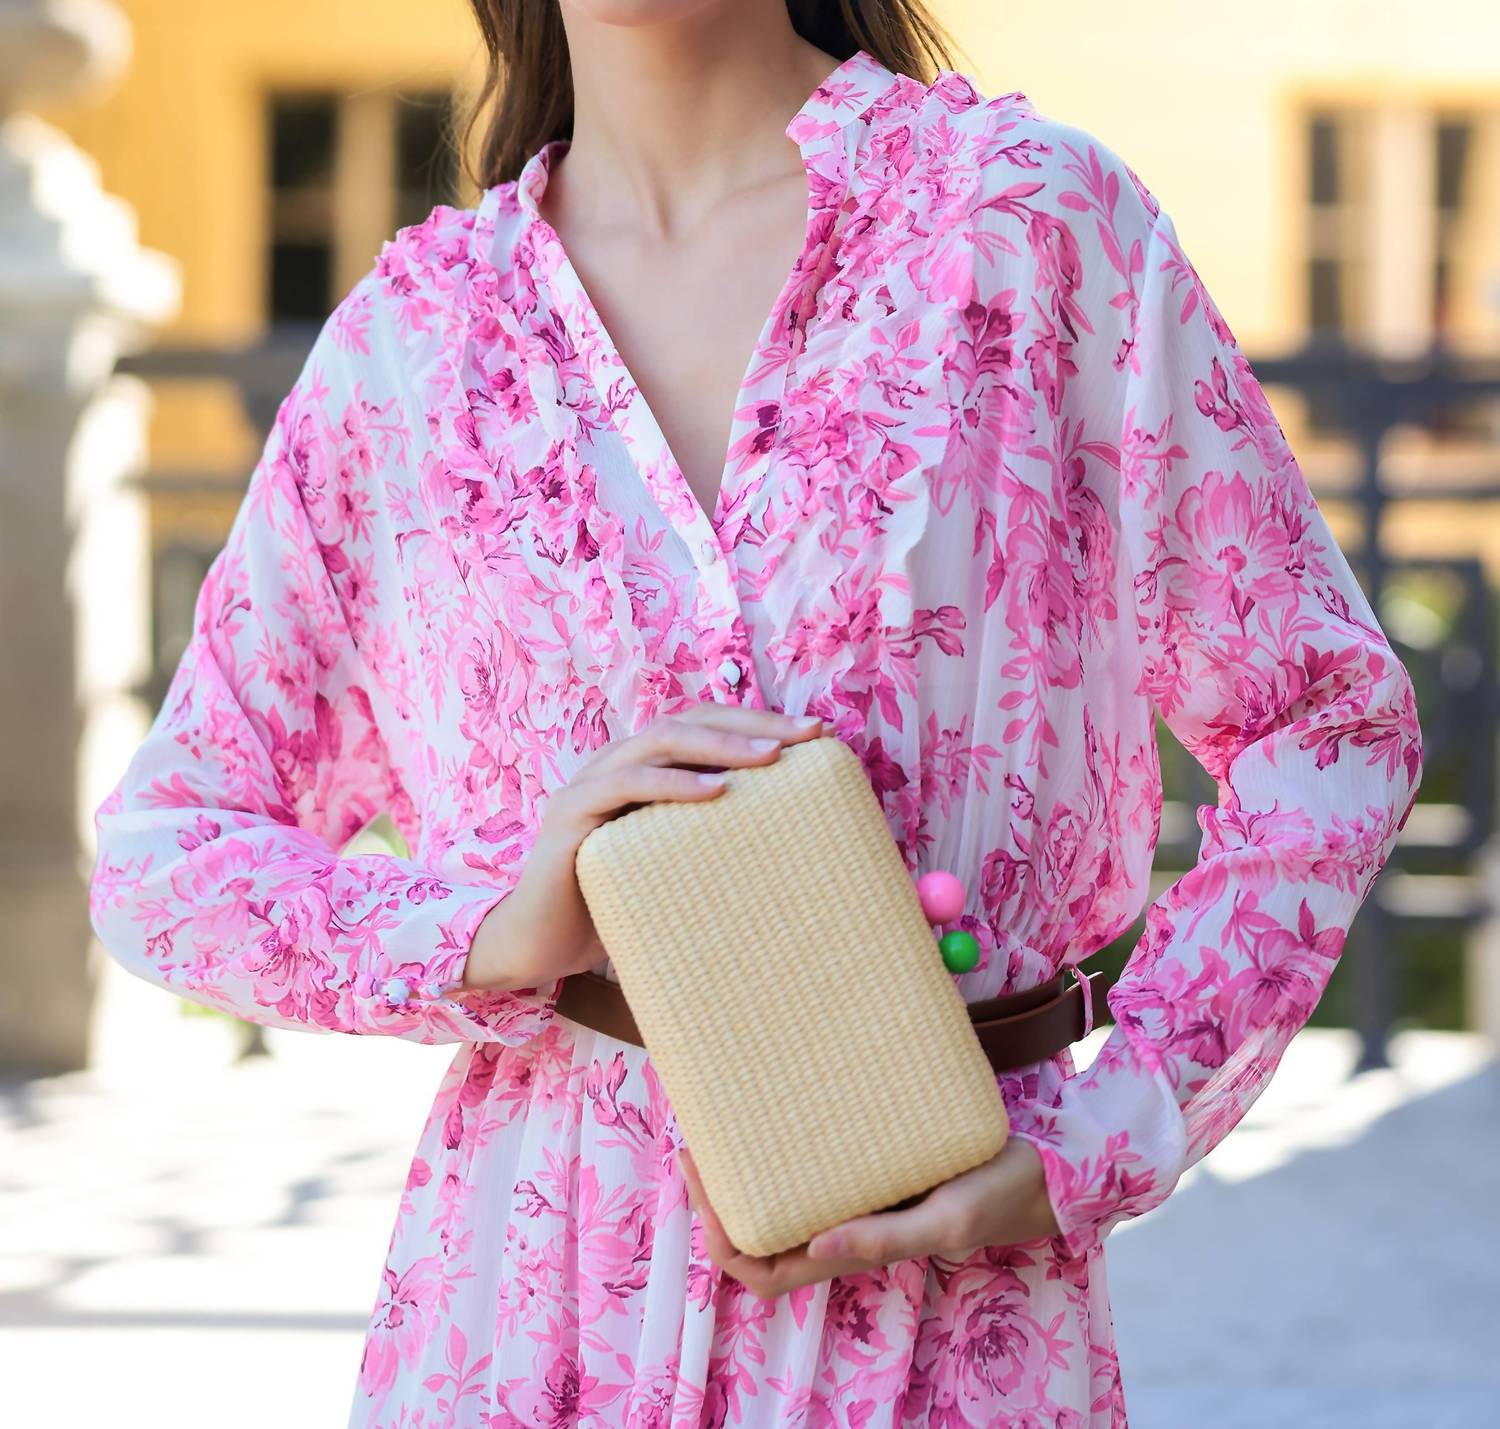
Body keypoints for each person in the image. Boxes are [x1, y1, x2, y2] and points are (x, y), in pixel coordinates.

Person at [88, 2, 1425, 1424]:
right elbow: (164, 849)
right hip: (526, 1319)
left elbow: (1327, 721)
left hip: (943, 1313)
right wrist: (489, 932)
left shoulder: (1030, 227)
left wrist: (1109, 1129)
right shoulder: (414, 349)